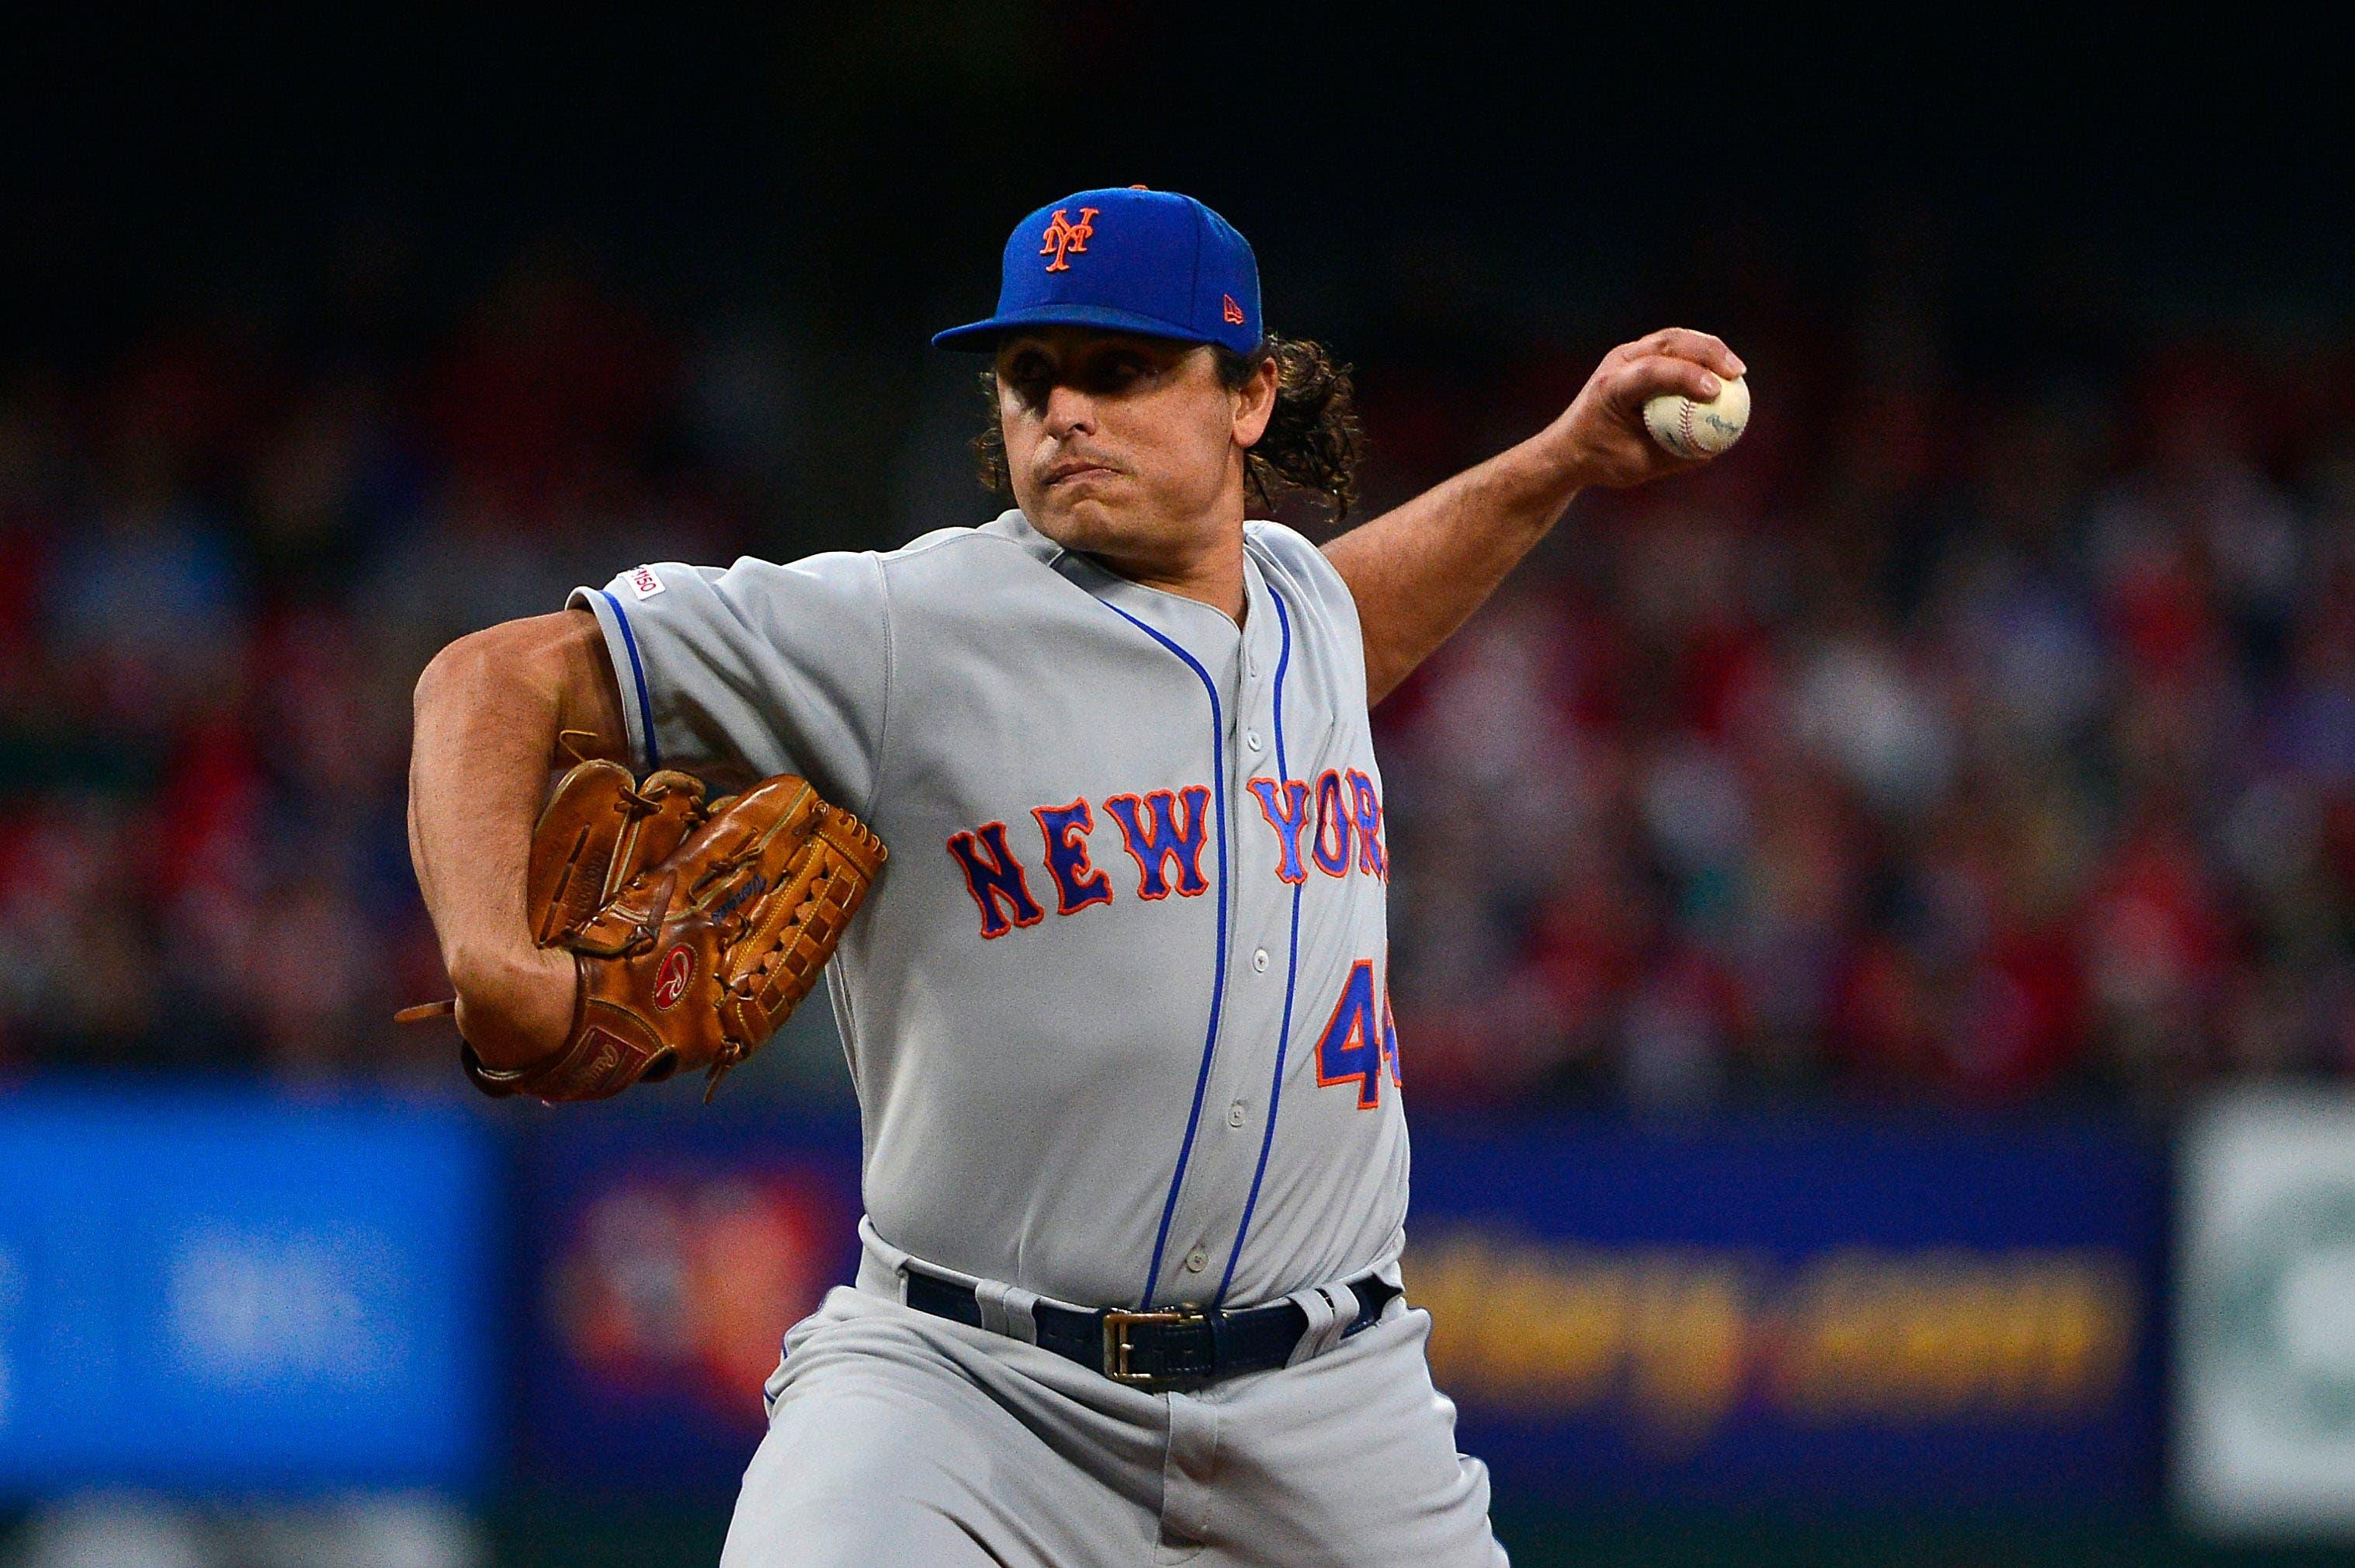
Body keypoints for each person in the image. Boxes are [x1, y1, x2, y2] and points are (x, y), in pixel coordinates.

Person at [406, 185, 1743, 1566]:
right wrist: (491, 957)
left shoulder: (1298, 614)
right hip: (964, 1390)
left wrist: (1558, 463)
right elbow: (491, 677)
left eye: (1119, 370)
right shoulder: (903, 626)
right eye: (1030, 377)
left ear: (1248, 397)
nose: (1063, 411)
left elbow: (1356, 614)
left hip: (1334, 1410)